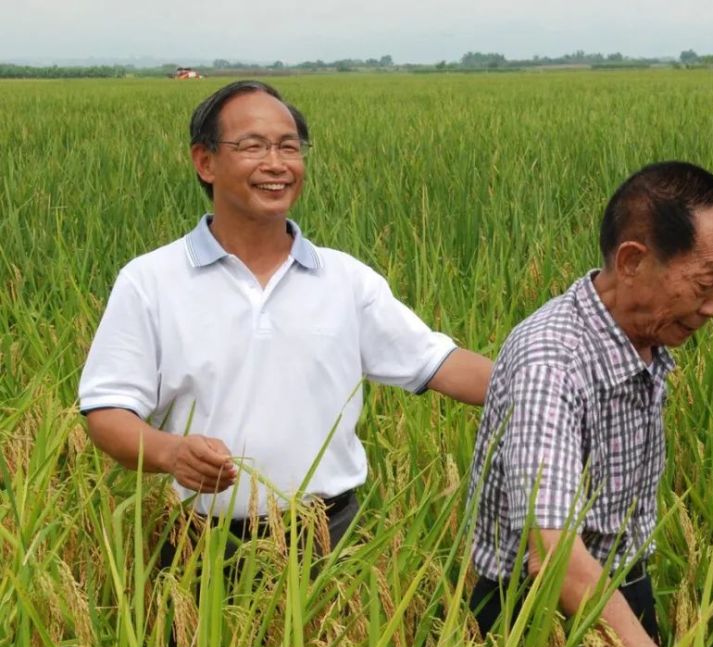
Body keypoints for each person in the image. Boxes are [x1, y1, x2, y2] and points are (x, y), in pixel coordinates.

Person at [79, 80, 492, 548]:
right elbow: (107, 411)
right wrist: (170, 452)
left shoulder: (345, 280)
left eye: (289, 147)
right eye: (252, 146)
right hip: (202, 546)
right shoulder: (151, 280)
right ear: (205, 161)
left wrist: (555, 387)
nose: (275, 164)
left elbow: (439, 363)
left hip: (329, 534)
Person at [466, 161, 713, 647]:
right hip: (534, 612)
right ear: (633, 260)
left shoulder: (644, 332)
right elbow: (551, 553)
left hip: (618, 585)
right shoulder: (552, 364)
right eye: (707, 283)